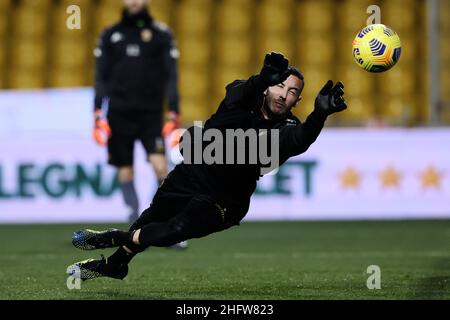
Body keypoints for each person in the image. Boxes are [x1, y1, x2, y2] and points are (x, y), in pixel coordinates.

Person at [68, 52, 347, 281]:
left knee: (177, 228)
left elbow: (300, 140)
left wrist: (319, 114)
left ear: (298, 101)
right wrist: (261, 77)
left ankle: (111, 238)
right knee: (150, 220)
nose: (284, 95)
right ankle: (115, 266)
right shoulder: (242, 95)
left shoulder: (287, 128)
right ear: (268, 85)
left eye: (292, 92)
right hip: (192, 174)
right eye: (280, 85)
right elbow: (238, 96)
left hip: (225, 200)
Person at [93, 0, 181, 226]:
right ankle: (134, 220)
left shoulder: (161, 34)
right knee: (126, 172)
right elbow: (101, 76)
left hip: (150, 115)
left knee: (161, 167)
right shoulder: (110, 35)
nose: (134, 1)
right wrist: (97, 110)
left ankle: (163, 222)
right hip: (118, 114)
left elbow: (171, 75)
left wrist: (173, 110)